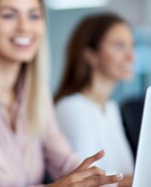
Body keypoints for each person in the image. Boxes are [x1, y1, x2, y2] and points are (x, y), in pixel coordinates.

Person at [0, 0, 123, 186]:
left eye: (34, 16)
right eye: (9, 15)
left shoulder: (34, 93)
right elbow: (0, 184)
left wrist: (109, 180)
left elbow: (67, 163)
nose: (24, 27)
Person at [54, 13, 135, 186]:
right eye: (120, 46)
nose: (131, 57)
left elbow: (125, 171)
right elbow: (92, 180)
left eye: (131, 46)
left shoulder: (110, 108)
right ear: (90, 55)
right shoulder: (71, 107)